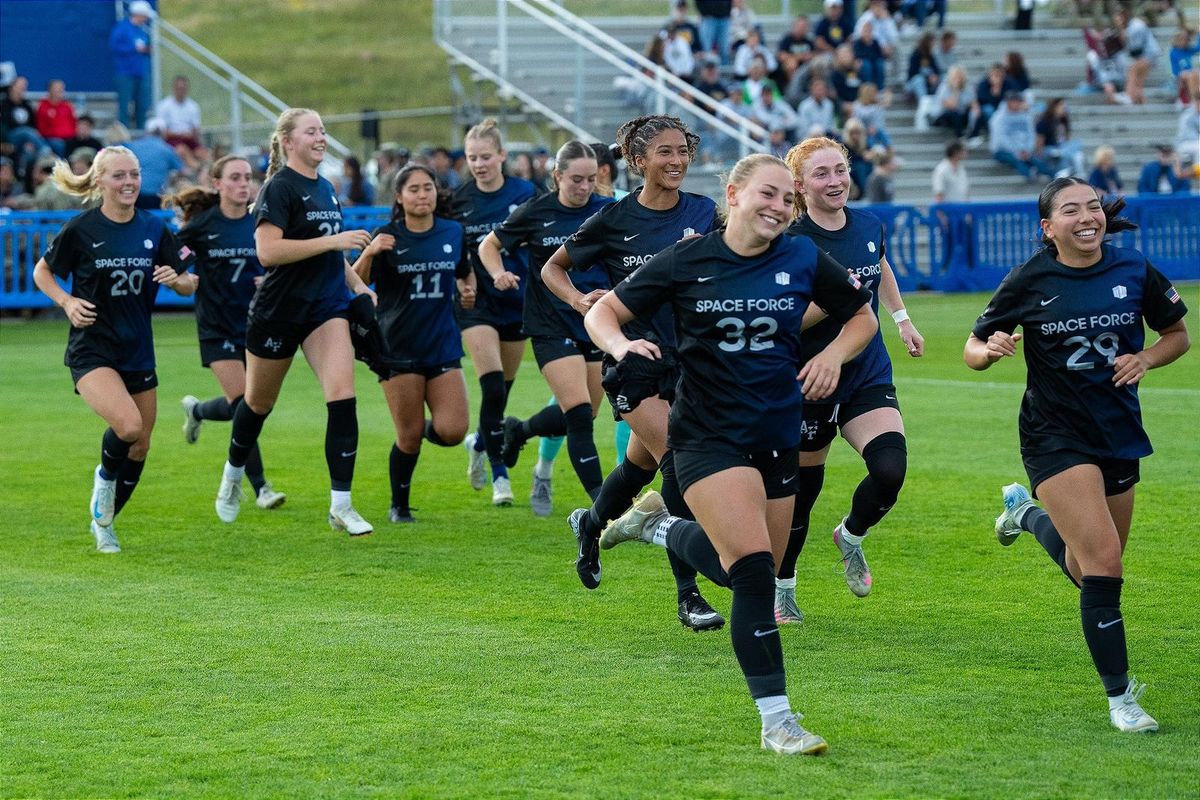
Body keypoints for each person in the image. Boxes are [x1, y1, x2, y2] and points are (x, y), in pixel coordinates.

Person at [589, 153, 876, 754]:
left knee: (758, 573)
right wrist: (619, 345)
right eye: (768, 194)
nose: (779, 207)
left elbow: (860, 317)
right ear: (735, 194)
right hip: (705, 438)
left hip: (777, 434)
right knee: (751, 574)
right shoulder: (688, 259)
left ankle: (658, 527)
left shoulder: (802, 256)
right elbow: (604, 311)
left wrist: (831, 356)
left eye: (787, 199)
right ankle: (778, 722)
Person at [964, 177, 1189, 733]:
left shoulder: (1133, 268)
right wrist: (990, 350)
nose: (1087, 217)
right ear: (1048, 227)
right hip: (1054, 436)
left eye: (1093, 207)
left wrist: (1146, 359)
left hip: (1119, 431)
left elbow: (1178, 335)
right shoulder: (1029, 279)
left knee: (1086, 567)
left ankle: (1025, 515)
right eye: (1072, 210)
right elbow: (972, 348)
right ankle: (1121, 698)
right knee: (1105, 564)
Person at [541, 115, 724, 630]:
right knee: (680, 466)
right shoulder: (614, 219)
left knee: (637, 469)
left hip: (693, 363)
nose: (677, 160)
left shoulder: (704, 211)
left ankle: (591, 524)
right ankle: (689, 596)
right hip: (635, 364)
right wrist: (580, 301)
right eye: (665, 152)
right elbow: (552, 268)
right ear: (638, 161)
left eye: (683, 150)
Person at [776, 136, 924, 621]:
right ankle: (783, 587)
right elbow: (782, 320)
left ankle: (851, 535)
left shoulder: (868, 224)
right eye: (821, 174)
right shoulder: (790, 241)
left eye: (840, 169)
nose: (835, 180)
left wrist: (901, 319)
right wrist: (837, 298)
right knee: (800, 498)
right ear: (800, 186)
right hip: (809, 379)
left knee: (890, 470)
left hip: (865, 371)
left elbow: (877, 264)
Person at [212, 108, 376, 534]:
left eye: (323, 130)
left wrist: (359, 286)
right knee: (257, 404)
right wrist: (334, 240)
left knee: (342, 396)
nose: (321, 137)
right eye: (311, 131)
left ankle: (341, 505)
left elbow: (332, 255)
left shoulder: (327, 187)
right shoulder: (279, 187)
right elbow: (268, 252)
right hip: (279, 311)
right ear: (288, 141)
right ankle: (233, 474)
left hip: (326, 308)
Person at [31, 146, 194, 553]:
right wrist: (66, 302)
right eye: (119, 175)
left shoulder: (154, 227)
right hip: (92, 349)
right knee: (129, 426)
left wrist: (177, 281)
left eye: (134, 174)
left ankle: (104, 523)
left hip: (137, 347)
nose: (129, 182)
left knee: (141, 445)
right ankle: (103, 481)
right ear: (100, 180)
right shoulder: (82, 228)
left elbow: (190, 282)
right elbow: (42, 271)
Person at [478, 142, 612, 510]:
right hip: (549, 322)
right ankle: (604, 508)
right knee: (580, 417)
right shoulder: (537, 211)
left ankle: (519, 430)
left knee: (585, 414)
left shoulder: (606, 211)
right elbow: (489, 245)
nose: (584, 187)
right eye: (576, 179)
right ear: (557, 176)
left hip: (594, 322)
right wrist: (498, 272)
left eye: (591, 179)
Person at [352, 164, 474, 523]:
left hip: (442, 344)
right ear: (399, 197)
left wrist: (468, 291)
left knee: (453, 431)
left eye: (428, 188)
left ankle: (415, 426)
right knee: (408, 437)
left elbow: (464, 273)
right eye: (414, 189)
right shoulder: (386, 236)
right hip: (397, 348)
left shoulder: (452, 231)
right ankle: (399, 506)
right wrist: (369, 253)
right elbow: (354, 284)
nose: (423, 195)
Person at [167, 155, 286, 512]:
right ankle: (261, 488)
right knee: (244, 405)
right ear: (217, 184)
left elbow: (282, 264)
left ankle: (198, 411)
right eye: (235, 177)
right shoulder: (201, 228)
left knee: (256, 406)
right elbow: (173, 263)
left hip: (255, 325)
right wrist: (182, 280)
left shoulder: (261, 222)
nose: (243, 184)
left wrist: (271, 279)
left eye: (247, 177)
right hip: (216, 327)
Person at [450, 118, 538, 508]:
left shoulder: (526, 193)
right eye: (472, 158)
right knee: (492, 388)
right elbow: (451, 252)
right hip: (476, 304)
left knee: (504, 389)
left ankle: (480, 443)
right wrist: (461, 283)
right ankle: (500, 474)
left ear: (502, 155)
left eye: (485, 156)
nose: (479, 164)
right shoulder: (459, 200)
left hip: (516, 302)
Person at [989, 92, 1056, 183]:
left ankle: (1054, 175)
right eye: (1014, 101)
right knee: (1015, 159)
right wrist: (1016, 151)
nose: (1017, 104)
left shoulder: (1025, 117)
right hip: (1003, 150)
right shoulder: (998, 118)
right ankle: (1029, 174)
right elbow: (1001, 139)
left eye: (1018, 101)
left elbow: (1031, 135)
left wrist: (1027, 149)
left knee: (1035, 159)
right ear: (1008, 102)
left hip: (1024, 150)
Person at [108, 0, 154, 130]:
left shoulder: (142, 31)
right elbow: (114, 46)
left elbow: (145, 47)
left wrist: (147, 50)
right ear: (138, 15)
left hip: (140, 72)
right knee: (125, 104)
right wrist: (134, 49)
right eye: (144, 16)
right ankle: (123, 132)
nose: (145, 20)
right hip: (125, 73)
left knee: (142, 104)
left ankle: (140, 130)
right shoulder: (122, 28)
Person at [125, 120, 183, 209]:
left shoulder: (132, 146)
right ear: (163, 132)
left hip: (134, 193)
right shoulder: (167, 149)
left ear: (147, 131)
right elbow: (181, 170)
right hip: (155, 196)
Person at [1114, 8, 1161, 105]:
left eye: (1118, 19)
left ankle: (1128, 96)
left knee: (1132, 70)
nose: (1117, 22)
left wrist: (1122, 32)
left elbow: (1135, 51)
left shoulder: (1136, 26)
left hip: (1150, 54)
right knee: (1138, 83)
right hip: (1146, 54)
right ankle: (1142, 104)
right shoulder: (1129, 27)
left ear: (1123, 17)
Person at [1035, 98, 1086, 178]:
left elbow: (1066, 139)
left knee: (1078, 146)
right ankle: (1068, 168)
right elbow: (1040, 143)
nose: (1064, 108)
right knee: (1060, 154)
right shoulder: (1044, 122)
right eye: (1061, 106)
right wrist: (1039, 156)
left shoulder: (1063, 121)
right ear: (1054, 107)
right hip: (1049, 149)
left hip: (1061, 149)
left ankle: (1067, 166)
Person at [155, 75, 203, 153]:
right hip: (172, 140)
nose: (181, 91)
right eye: (179, 88)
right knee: (182, 150)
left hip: (189, 140)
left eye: (183, 88)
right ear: (174, 88)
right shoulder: (163, 106)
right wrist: (180, 134)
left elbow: (196, 129)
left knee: (203, 153)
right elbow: (162, 131)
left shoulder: (193, 106)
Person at [931, 65, 976, 139]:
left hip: (959, 116)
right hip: (942, 116)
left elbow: (974, 104)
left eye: (959, 76)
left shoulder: (967, 87)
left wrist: (974, 109)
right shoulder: (944, 87)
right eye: (955, 76)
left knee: (971, 113)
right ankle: (960, 136)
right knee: (955, 114)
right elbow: (952, 106)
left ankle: (973, 134)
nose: (958, 79)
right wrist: (956, 90)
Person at [35, 79, 77, 157]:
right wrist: (59, 135)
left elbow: (73, 123)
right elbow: (41, 128)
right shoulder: (43, 106)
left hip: (69, 138)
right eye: (57, 88)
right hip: (50, 139)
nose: (60, 91)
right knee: (59, 145)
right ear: (50, 90)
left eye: (62, 88)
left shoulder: (67, 106)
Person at [932, 138, 969, 203]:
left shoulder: (961, 169)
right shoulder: (942, 169)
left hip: (961, 207)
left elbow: (965, 192)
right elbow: (939, 193)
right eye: (963, 150)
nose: (965, 152)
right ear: (955, 152)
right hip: (948, 207)